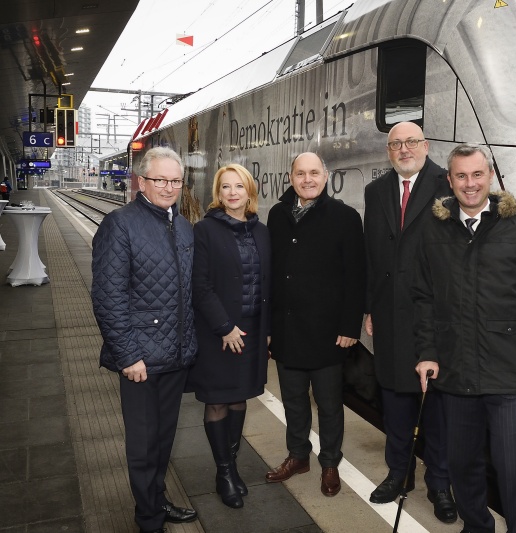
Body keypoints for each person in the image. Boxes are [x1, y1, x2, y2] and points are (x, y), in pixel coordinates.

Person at [412, 143, 516, 533]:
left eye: (477, 174)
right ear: (449, 181)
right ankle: (476, 526)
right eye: (461, 176)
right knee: (462, 466)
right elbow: (423, 297)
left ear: (491, 176)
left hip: (511, 376)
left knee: (514, 471)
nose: (469, 184)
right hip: (456, 373)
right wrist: (427, 352)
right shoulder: (435, 229)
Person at [91, 147, 198, 533]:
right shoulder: (120, 225)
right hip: (140, 360)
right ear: (141, 181)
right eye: (160, 180)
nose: (168, 187)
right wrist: (128, 355)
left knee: (163, 440)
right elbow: (108, 296)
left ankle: (156, 500)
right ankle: (149, 518)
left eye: (175, 181)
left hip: (175, 356)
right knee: (143, 445)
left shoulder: (183, 225)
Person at [363, 122, 456, 522]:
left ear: (426, 146)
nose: (404, 149)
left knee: (437, 403)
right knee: (395, 399)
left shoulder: (447, 184)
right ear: (388, 151)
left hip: (435, 314)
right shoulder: (376, 191)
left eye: (412, 142)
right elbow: (371, 252)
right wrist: (368, 306)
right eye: (396, 144)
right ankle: (398, 473)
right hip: (388, 313)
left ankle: (439, 483)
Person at [266, 152, 366, 497]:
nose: (307, 179)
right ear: (291, 177)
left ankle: (329, 462)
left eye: (313, 173)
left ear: (326, 176)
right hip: (287, 328)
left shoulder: (345, 217)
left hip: (328, 332)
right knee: (292, 400)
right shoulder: (277, 215)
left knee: (328, 403)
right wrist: (268, 327)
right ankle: (298, 456)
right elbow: (272, 275)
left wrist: (350, 327)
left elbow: (356, 276)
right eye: (300, 173)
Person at [186, 164, 271, 509]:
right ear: (218, 194)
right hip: (219, 333)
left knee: (240, 399)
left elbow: (269, 285)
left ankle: (232, 466)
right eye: (226, 187)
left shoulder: (262, 232)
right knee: (218, 400)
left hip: (251, 331)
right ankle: (223, 472)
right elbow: (200, 286)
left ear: (249, 192)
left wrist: (266, 332)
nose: (233, 193)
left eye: (239, 186)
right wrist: (225, 327)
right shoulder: (205, 230)